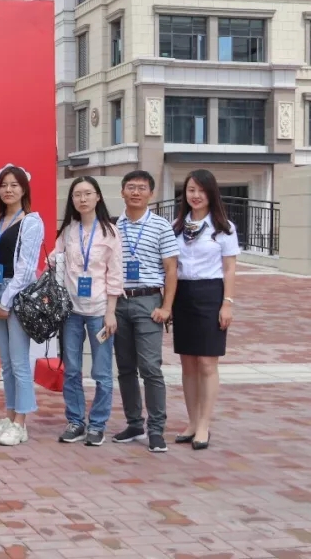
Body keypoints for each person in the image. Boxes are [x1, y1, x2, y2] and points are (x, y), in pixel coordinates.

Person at [52, 176, 123, 447]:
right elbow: (55, 260)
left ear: (98, 197)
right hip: (70, 310)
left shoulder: (110, 232)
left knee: (102, 372)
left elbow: (115, 275)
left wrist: (111, 311)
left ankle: (97, 424)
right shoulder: (68, 231)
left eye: (87, 193)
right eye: (77, 195)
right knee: (72, 369)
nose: (82, 199)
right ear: (72, 200)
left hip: (99, 310)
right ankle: (76, 421)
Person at [111, 170, 179, 453]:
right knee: (125, 367)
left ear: (151, 193)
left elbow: (171, 269)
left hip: (148, 301)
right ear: (122, 192)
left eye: (141, 188)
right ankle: (134, 423)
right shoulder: (113, 226)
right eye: (130, 187)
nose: (135, 192)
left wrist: (166, 307)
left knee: (150, 367)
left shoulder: (161, 226)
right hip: (119, 301)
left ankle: (156, 429)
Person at [171, 169, 238, 451]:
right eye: (191, 190)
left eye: (201, 190)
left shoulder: (223, 227)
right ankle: (191, 422)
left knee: (208, 363)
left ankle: (204, 425)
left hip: (211, 295)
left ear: (211, 193)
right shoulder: (175, 227)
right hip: (182, 295)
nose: (195, 195)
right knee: (187, 363)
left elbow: (229, 268)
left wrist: (227, 303)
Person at [0, 165, 43, 447]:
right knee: (6, 364)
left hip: (18, 297)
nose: (8, 190)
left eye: (14, 185)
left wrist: (5, 301)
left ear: (24, 189)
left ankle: (21, 423)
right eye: (4, 185)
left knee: (19, 363)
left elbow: (27, 269)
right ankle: (9, 416)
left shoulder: (31, 222)